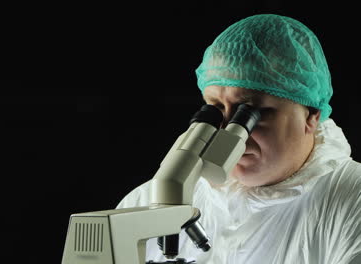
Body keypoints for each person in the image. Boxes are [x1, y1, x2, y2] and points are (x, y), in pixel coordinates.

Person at [116, 14, 361, 263]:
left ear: (311, 114)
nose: (227, 133)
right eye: (215, 109)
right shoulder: (150, 200)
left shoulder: (353, 199)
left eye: (252, 113)